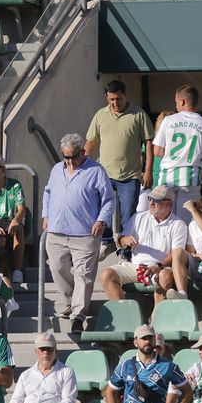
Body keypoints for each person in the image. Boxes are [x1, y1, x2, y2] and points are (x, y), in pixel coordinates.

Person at [42, 133, 115, 332]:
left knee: (83, 275)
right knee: (57, 268)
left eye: (73, 156)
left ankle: (78, 316)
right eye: (66, 157)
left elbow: (108, 199)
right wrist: (45, 215)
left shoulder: (96, 170)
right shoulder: (57, 169)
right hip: (56, 231)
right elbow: (48, 193)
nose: (70, 161)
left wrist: (101, 220)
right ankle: (70, 301)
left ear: (83, 152)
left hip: (84, 233)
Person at [85, 80, 155, 238]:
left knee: (129, 214)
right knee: (99, 209)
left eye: (118, 99)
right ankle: (106, 240)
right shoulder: (100, 115)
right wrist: (83, 167)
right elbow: (90, 142)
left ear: (125, 95)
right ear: (106, 97)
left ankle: (126, 250)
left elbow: (149, 143)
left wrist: (148, 171)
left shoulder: (138, 114)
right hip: (105, 174)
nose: (115, 103)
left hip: (130, 175)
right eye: (111, 99)